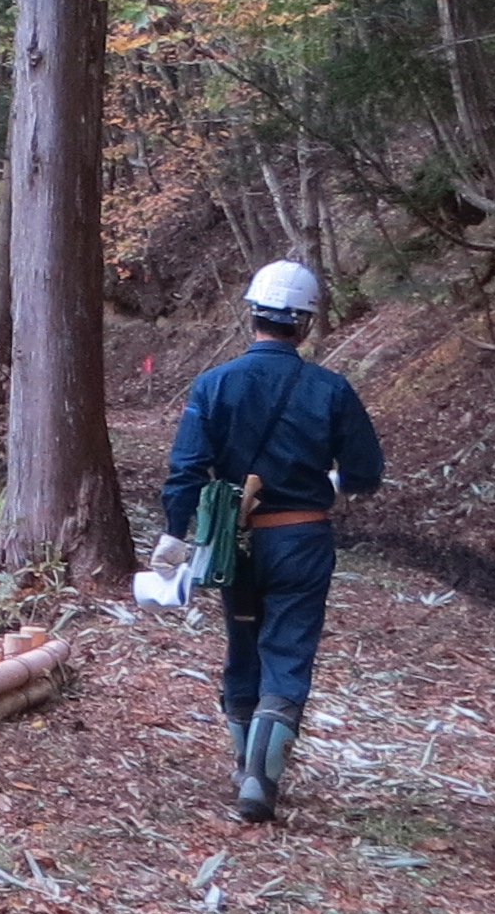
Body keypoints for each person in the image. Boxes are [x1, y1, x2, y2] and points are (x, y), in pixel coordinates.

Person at [160, 262, 383, 823]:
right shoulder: (331, 389)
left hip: (233, 544)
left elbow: (187, 468)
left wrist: (172, 534)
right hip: (303, 539)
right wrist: (328, 481)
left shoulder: (213, 384)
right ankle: (261, 780)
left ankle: (243, 763)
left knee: (243, 644)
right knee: (286, 651)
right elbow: (365, 473)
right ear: (304, 324)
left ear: (252, 315)